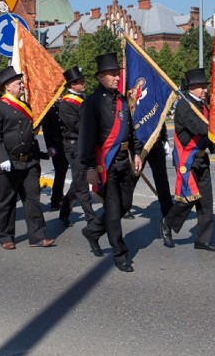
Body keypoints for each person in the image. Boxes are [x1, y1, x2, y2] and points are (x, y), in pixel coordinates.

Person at [78, 53, 143, 272]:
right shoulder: (92, 103)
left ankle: (93, 230)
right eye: (112, 74)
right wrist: (88, 167)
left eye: (118, 74)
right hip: (105, 165)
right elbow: (86, 137)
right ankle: (120, 254)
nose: (117, 78)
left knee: (125, 205)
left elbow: (130, 129)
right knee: (114, 212)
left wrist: (136, 153)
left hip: (124, 160)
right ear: (100, 77)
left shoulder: (122, 99)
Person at [0, 65, 56, 250]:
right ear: (7, 87)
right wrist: (2, 158)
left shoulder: (26, 106)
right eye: (19, 83)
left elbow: (29, 135)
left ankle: (37, 236)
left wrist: (41, 153)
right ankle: (5, 236)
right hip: (8, 162)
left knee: (32, 199)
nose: (22, 86)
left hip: (30, 162)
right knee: (7, 200)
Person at [159, 68, 215, 252]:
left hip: (201, 158)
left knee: (206, 201)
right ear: (191, 88)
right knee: (188, 199)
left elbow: (210, 137)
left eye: (205, 87)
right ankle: (167, 223)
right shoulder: (184, 106)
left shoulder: (204, 107)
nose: (205, 90)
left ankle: (203, 240)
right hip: (186, 159)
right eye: (201, 87)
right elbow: (199, 128)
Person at [57, 66, 95, 227]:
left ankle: (64, 210)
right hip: (74, 147)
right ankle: (91, 219)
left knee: (78, 181)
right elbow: (76, 125)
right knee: (82, 184)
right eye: (80, 81)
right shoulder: (66, 104)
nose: (83, 83)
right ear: (72, 85)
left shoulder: (83, 98)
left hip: (85, 144)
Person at [41, 100, 69, 210]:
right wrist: (49, 146)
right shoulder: (49, 107)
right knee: (60, 172)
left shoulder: (66, 105)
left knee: (65, 170)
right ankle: (56, 199)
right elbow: (46, 129)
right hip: (57, 145)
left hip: (67, 144)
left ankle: (60, 197)